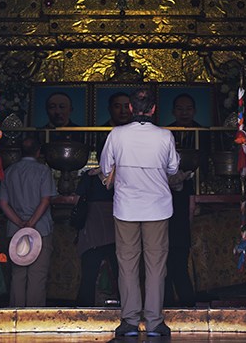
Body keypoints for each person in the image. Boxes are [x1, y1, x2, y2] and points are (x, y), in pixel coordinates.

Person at [100, 88, 180, 337]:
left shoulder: (117, 134)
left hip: (126, 208)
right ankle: (155, 322)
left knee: (127, 264)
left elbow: (104, 166)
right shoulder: (165, 136)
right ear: (154, 109)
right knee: (156, 266)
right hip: (157, 207)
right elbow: (173, 167)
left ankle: (131, 321)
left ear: (132, 109)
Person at [0, 136, 57, 307]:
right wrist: (31, 223)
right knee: (37, 276)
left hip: (16, 230)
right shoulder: (43, 171)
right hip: (40, 229)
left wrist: (20, 222)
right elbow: (45, 200)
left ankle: (15, 314)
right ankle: (33, 316)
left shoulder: (10, 172)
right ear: (38, 152)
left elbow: (3, 204)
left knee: (18, 275)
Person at [164, 95, 201, 308]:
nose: (184, 113)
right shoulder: (166, 134)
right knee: (170, 269)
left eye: (188, 109)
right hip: (169, 227)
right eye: (180, 109)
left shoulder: (201, 134)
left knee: (175, 267)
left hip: (175, 228)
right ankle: (172, 305)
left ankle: (185, 305)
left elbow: (190, 205)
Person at [74, 144, 118, 307]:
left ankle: (84, 311)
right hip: (116, 229)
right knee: (122, 275)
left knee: (89, 275)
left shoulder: (89, 177)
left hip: (93, 232)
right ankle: (126, 311)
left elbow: (76, 200)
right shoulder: (120, 176)